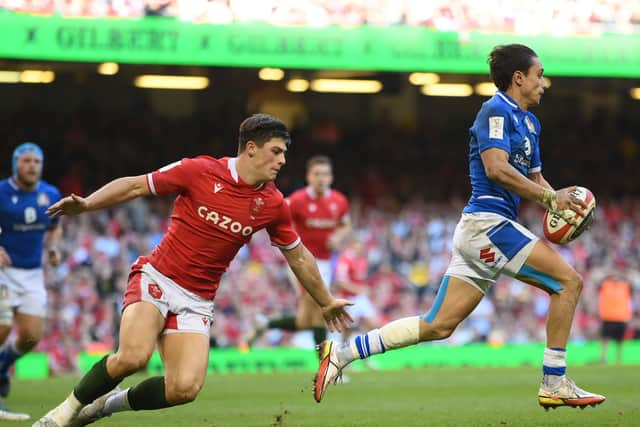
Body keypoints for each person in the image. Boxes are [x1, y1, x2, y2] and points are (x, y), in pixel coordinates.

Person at [313, 44, 606, 410]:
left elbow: (536, 178)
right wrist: (550, 201)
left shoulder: (531, 123)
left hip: (484, 230)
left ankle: (342, 354)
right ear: (519, 78)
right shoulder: (495, 109)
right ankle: (555, 381)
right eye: (539, 74)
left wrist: (561, 206)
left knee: (438, 325)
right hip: (488, 224)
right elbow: (496, 168)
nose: (544, 83)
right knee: (569, 282)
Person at [33, 114, 353, 427]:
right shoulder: (198, 170)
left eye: (284, 153)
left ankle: (105, 406)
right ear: (251, 148)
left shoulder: (273, 204)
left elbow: (298, 256)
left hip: (198, 299)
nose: (283, 160)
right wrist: (87, 204)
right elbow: (135, 186)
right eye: (276, 151)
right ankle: (62, 415)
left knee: (184, 389)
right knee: (133, 357)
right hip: (157, 277)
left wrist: (325, 301)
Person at [245, 155, 350, 352]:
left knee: (305, 320)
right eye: (317, 174)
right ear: (308, 176)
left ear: (331, 177)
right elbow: (276, 216)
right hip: (302, 263)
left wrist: (339, 236)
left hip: (326, 264)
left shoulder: (339, 201)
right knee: (322, 307)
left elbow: (346, 225)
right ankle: (326, 366)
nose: (321, 178)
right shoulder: (297, 200)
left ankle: (265, 324)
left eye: (325, 174)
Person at [0, 142, 62, 422]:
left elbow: (55, 226)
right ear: (15, 164)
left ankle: (2, 367)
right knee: (2, 326)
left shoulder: (50, 194)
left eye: (36, 161)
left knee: (31, 336)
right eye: (26, 161)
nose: (32, 166)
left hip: (32, 273)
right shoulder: (2, 192)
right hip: (3, 271)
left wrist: (53, 248)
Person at [597, 270, 633, 364]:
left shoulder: (625, 286)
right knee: (605, 339)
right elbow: (598, 284)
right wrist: (608, 275)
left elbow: (631, 285)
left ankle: (618, 359)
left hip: (621, 317)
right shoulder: (606, 285)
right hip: (607, 317)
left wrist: (623, 276)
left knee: (619, 341)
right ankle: (603, 358)